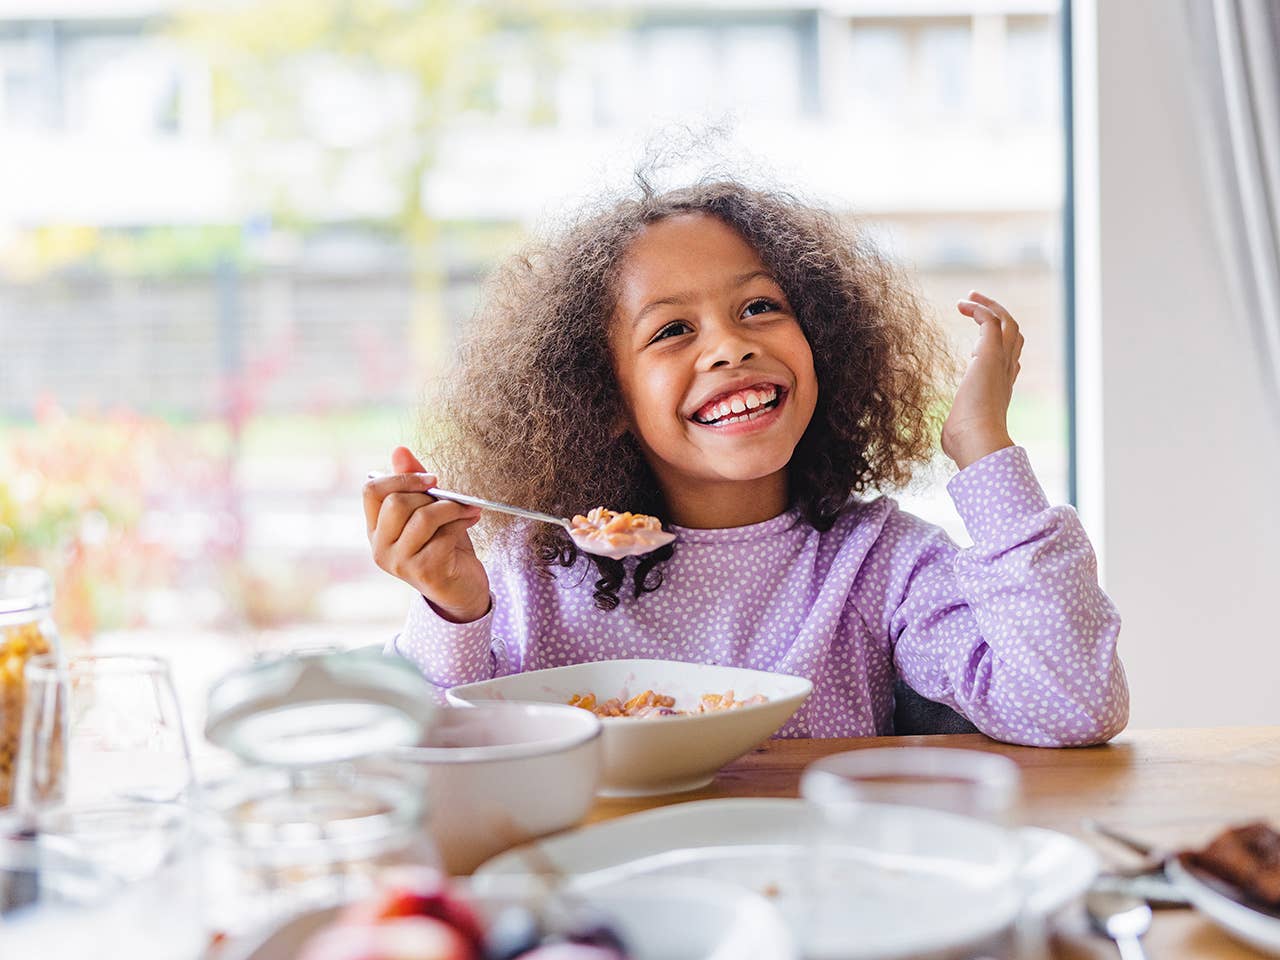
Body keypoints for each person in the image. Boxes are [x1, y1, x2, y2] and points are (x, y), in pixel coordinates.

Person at [362, 178, 1128, 746]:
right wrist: (453, 607)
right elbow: (435, 748)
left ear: (823, 342)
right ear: (605, 402)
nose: (730, 345)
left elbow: (1071, 704)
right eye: (670, 332)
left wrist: (983, 448)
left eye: (760, 307)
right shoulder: (527, 571)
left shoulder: (880, 565)